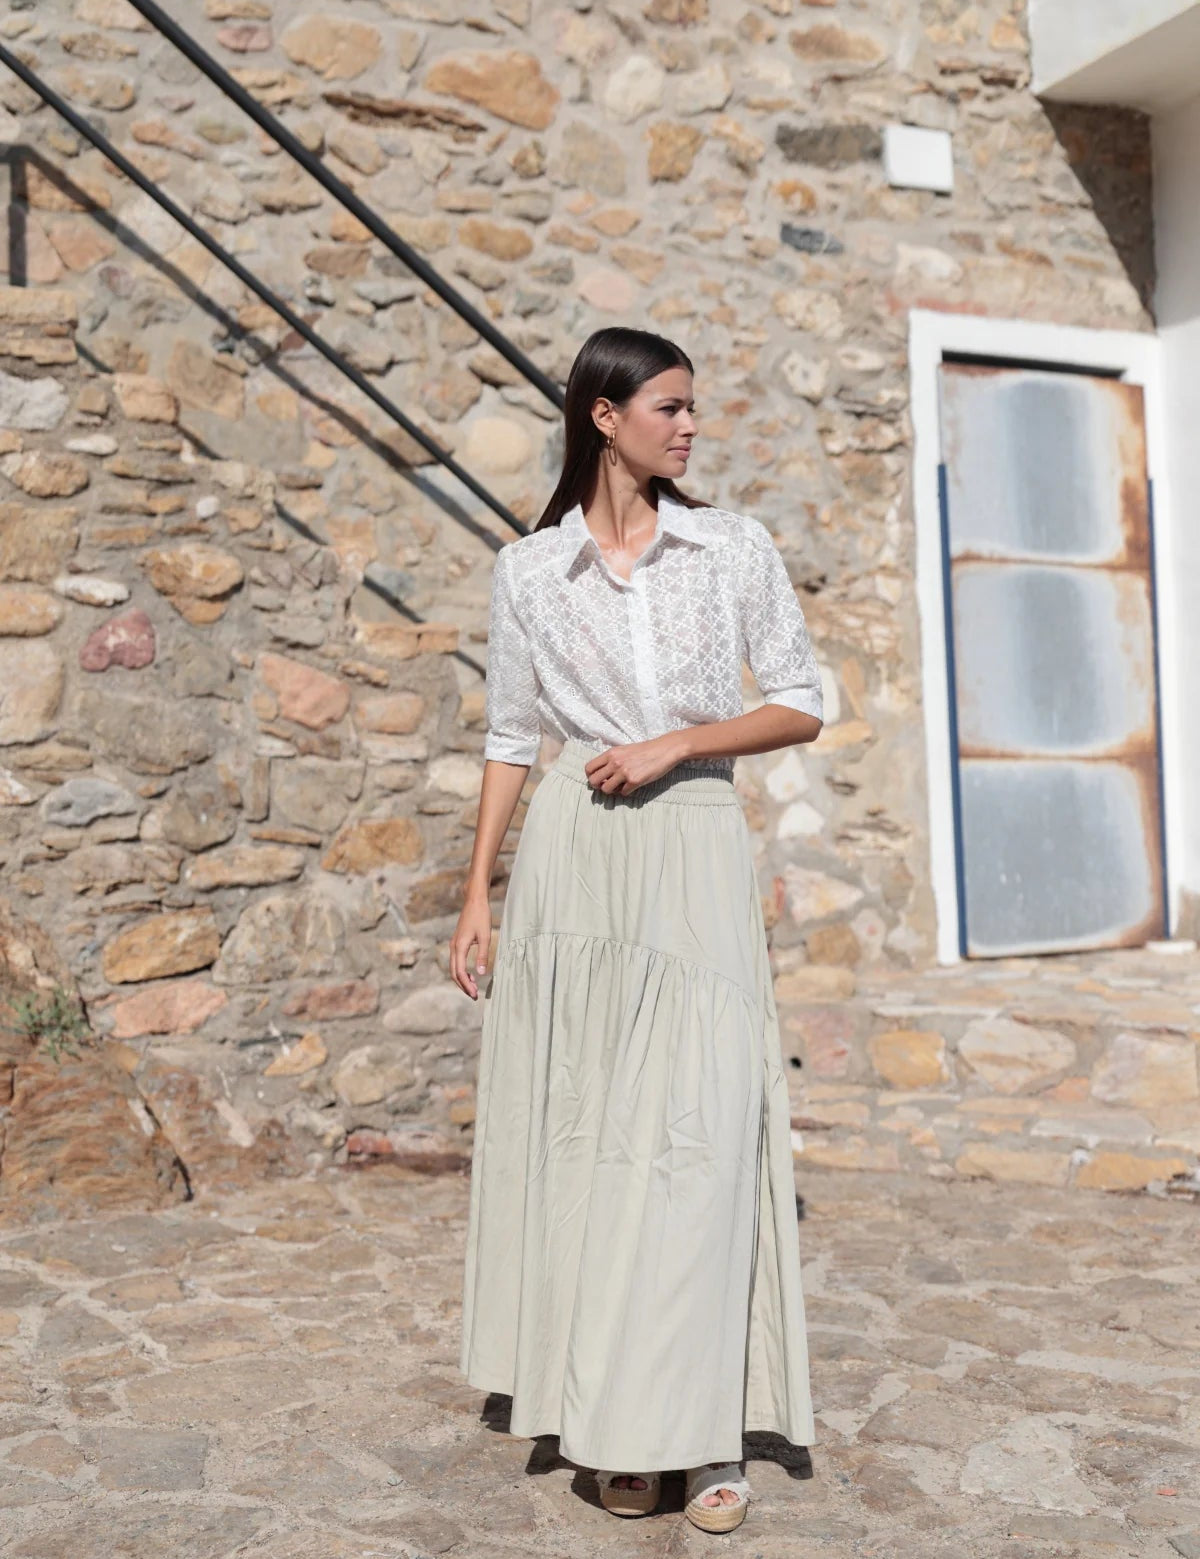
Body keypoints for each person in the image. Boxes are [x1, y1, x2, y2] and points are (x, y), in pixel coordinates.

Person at [451, 325, 821, 1535]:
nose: (691, 425)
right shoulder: (529, 570)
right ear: (603, 417)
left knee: (697, 1141)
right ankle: (607, 1415)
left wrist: (678, 743)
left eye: (692, 406)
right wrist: (478, 892)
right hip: (574, 864)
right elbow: (513, 736)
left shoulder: (733, 548)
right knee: (588, 1137)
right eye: (669, 406)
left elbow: (801, 702)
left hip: (693, 843)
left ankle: (703, 1429)